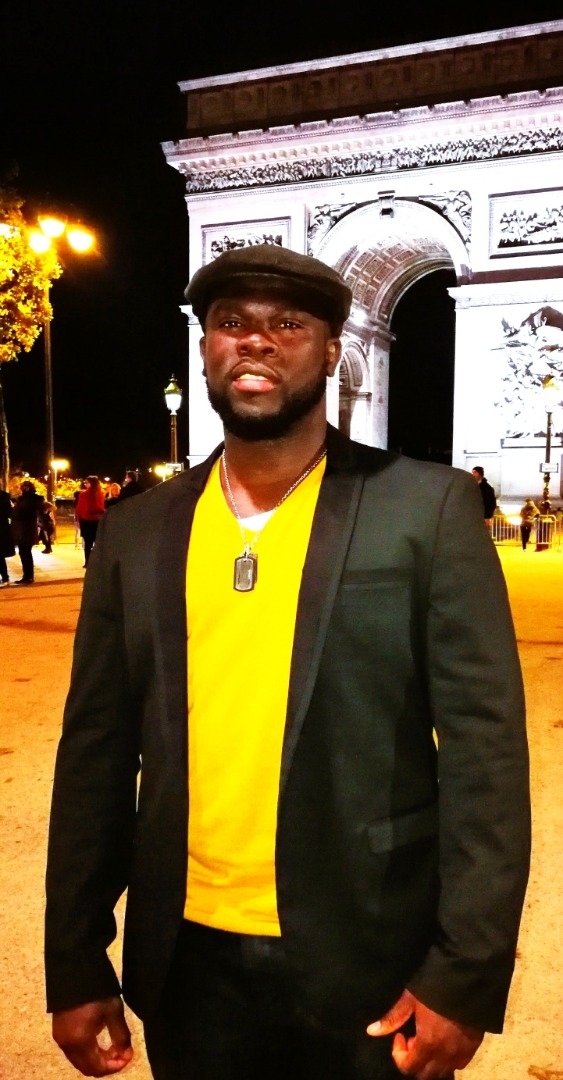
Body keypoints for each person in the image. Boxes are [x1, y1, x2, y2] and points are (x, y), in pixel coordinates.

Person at [45, 245, 531, 1080]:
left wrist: (465, 972)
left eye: (288, 324)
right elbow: (95, 753)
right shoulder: (136, 530)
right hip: (187, 961)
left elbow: (484, 756)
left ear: (336, 349)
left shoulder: (426, 509)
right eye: (231, 321)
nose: (256, 340)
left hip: (368, 950)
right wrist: (76, 958)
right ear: (204, 347)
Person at [11, 479, 43, 584]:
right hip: (26, 529)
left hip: (25, 529)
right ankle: (27, 576)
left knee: (25, 553)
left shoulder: (28, 500)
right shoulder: (31, 499)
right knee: (25, 553)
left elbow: (20, 513)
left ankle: (28, 576)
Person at [75, 475, 106, 566]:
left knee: (88, 543)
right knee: (98, 543)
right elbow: (102, 507)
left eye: (87, 483)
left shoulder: (84, 494)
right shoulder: (101, 493)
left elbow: (80, 508)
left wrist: (78, 519)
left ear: (90, 483)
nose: (86, 484)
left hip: (86, 521)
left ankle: (88, 562)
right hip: (98, 521)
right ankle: (98, 561)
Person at [0, 479, 15, 586]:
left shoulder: (4, 496)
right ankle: (5, 577)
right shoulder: (5, 496)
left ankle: (5, 577)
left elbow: (8, 512)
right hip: (2, 527)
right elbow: (9, 512)